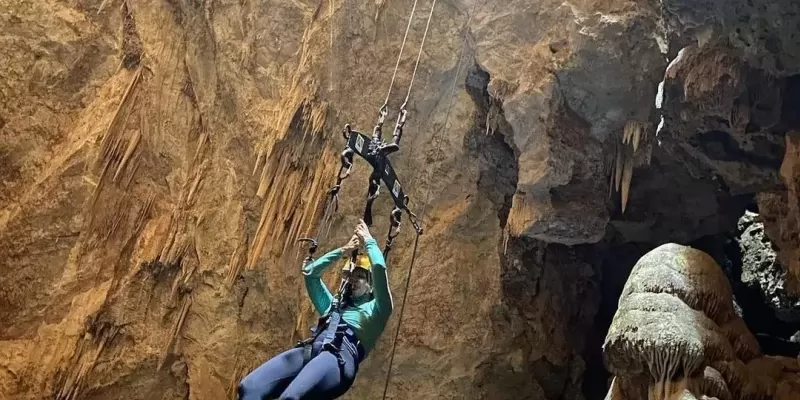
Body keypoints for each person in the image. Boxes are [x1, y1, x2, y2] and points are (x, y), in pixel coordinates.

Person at [238, 219, 394, 400]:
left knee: (290, 398)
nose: (352, 280)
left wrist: (368, 240)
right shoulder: (332, 306)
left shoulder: (377, 310)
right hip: (312, 350)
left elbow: (379, 268)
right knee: (249, 388)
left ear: (371, 285)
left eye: (359, 276)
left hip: (339, 359)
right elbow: (311, 274)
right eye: (351, 275)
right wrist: (344, 250)